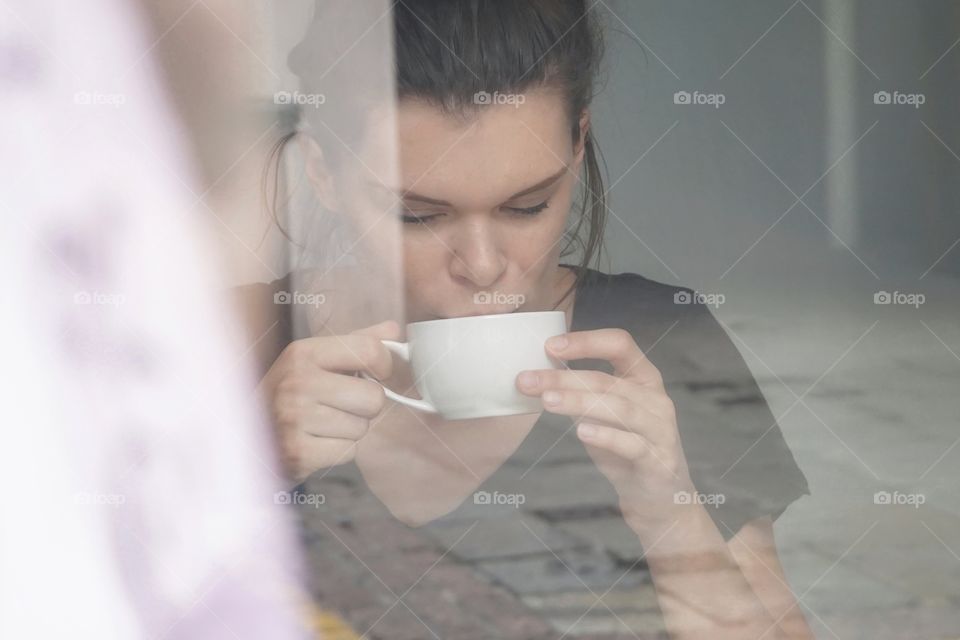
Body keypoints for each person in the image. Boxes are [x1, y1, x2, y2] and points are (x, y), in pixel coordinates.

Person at [241, 1, 813, 638]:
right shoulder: (227, 338)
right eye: (419, 215)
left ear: (578, 145)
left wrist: (671, 513)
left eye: (528, 206)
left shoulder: (657, 341)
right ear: (323, 172)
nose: (483, 267)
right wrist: (240, 468)